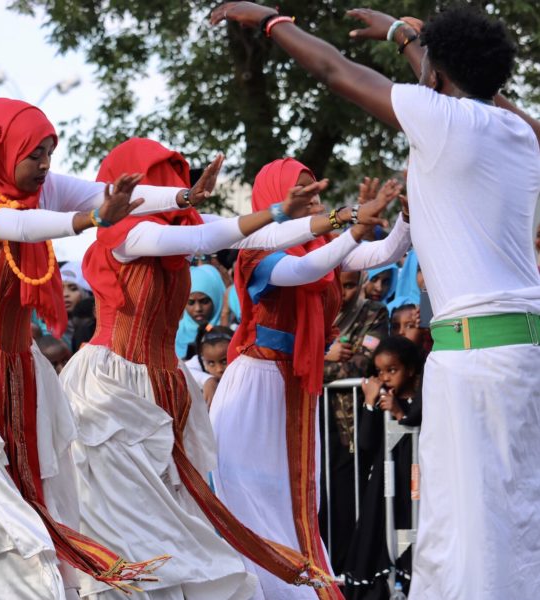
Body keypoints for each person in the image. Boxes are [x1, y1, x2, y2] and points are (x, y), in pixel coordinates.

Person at [211, 4, 540, 599]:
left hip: (477, 362)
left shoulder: (442, 121)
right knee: (516, 528)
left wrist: (269, 20)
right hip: (521, 351)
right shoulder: (519, 131)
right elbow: (465, 91)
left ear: (437, 78)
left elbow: (335, 69)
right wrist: (410, 39)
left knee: (467, 534)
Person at [60, 138, 381, 599]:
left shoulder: (180, 224)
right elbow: (208, 238)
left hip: (161, 385)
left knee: (170, 519)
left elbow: (252, 236)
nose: (176, 188)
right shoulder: (129, 235)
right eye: (165, 180)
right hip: (111, 389)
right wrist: (293, 215)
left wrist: (335, 218)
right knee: (126, 520)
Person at [0, 98, 218, 599]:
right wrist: (89, 220)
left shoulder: (43, 190)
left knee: (33, 503)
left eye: (50, 151)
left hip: (17, 368)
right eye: (35, 154)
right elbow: (15, 226)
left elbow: (104, 192)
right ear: (0, 149)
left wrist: (182, 196)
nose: (46, 165)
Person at [210, 158, 411, 600]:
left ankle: (294, 585)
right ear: (274, 199)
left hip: (296, 385)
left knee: (294, 497)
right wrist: (353, 229)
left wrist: (405, 216)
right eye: (302, 193)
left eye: (317, 193)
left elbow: (382, 254)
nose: (314, 201)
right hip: (257, 384)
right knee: (247, 492)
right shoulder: (256, 249)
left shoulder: (320, 244)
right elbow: (305, 271)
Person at [320, 268, 389, 575]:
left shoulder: (373, 312)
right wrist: (323, 358)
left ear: (361, 281)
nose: (343, 293)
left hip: (353, 424)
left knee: (349, 499)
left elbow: (367, 364)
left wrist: (316, 362)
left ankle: (349, 575)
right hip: (316, 422)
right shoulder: (314, 312)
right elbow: (291, 362)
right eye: (338, 285)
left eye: (349, 285)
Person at [344, 336, 423, 599]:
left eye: (392, 370)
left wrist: (400, 414)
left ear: (410, 370)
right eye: (380, 372)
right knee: (379, 531)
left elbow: (419, 431)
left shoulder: (421, 402)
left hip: (413, 485)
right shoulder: (382, 403)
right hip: (384, 484)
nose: (385, 378)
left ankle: (411, 582)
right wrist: (369, 404)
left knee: (411, 532)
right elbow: (366, 443)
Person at [175, 264, 226, 359]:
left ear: (217, 298)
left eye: (204, 301)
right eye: (190, 302)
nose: (198, 309)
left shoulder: (229, 331)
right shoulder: (174, 334)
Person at [185, 324, 235, 406]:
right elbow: (183, 369)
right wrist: (207, 379)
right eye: (211, 363)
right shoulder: (201, 361)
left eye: (224, 361)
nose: (219, 369)